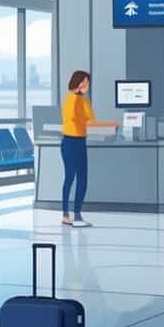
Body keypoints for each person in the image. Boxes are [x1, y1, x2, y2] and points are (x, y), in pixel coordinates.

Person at [60, 70, 117, 228]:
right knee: (70, 177)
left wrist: (108, 126)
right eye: (84, 82)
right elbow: (75, 120)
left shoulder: (84, 101)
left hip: (80, 142)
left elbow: (91, 120)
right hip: (69, 142)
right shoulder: (70, 99)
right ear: (77, 83)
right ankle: (65, 214)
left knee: (83, 179)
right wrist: (90, 124)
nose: (86, 86)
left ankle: (77, 214)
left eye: (87, 83)